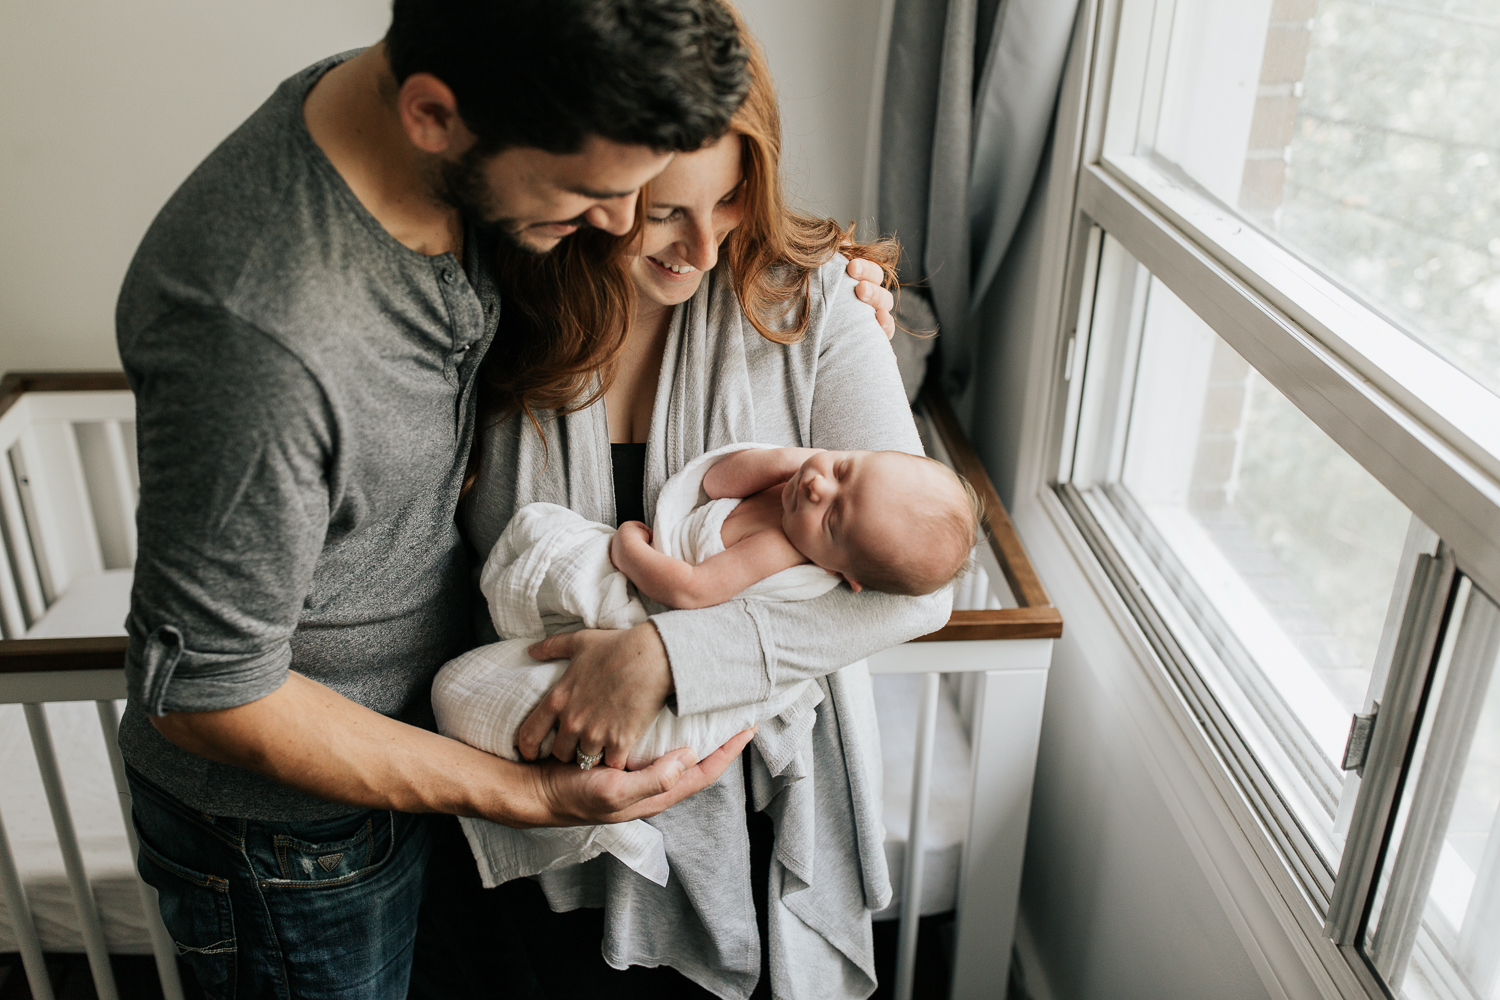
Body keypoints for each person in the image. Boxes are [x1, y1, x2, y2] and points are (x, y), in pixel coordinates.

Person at [115, 3, 785, 997]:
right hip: (291, 844)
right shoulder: (256, 332)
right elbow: (208, 693)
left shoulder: (463, 113)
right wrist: (527, 794)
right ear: (433, 115)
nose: (612, 224)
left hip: (410, 755)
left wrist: (838, 274)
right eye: (588, 193)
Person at [454, 23, 953, 998]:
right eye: (664, 209)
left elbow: (920, 594)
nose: (706, 242)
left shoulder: (816, 305)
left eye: (732, 196)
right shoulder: (496, 308)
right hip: (537, 783)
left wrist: (668, 659)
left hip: (748, 800)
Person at [612, 445, 982, 605]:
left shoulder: (777, 549)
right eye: (842, 469)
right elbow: (715, 482)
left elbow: (690, 590)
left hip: (647, 576)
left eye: (833, 518)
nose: (818, 486)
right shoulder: (794, 486)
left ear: (835, 568)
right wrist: (789, 460)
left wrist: (628, 549)